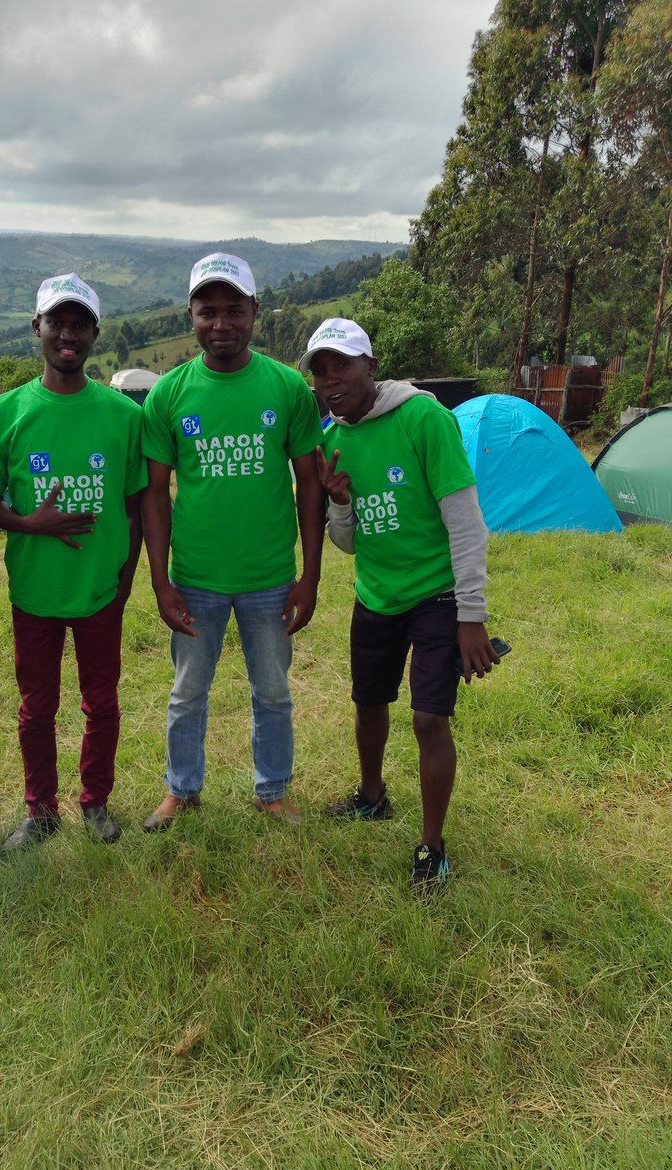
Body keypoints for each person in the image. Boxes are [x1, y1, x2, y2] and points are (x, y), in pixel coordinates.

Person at [304, 318, 500, 893]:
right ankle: (372, 797)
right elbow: (347, 542)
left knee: (428, 718)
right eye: (320, 369)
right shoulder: (333, 439)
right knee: (368, 703)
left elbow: (465, 523)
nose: (331, 378)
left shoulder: (424, 418)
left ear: (370, 364)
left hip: (437, 595)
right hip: (376, 596)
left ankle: (432, 846)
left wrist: (472, 615)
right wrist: (339, 503)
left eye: (342, 364)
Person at [140, 251, 324, 830]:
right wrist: (160, 579)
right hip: (195, 577)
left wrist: (311, 574)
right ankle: (182, 790)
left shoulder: (288, 388)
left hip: (270, 577)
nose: (221, 323)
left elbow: (311, 485)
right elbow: (153, 494)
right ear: (190, 315)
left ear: (255, 313)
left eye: (233, 310)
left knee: (272, 692)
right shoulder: (167, 394)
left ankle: (271, 790)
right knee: (186, 695)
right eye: (207, 311)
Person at [0, 272, 145, 848]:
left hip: (100, 589)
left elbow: (135, 502)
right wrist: (27, 523)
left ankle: (95, 804)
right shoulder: (2, 413)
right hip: (35, 592)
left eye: (79, 324)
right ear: (36, 328)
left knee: (102, 703)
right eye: (56, 323)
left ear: (94, 332)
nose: (67, 334)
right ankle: (40, 809)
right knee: (36, 708)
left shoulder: (123, 415)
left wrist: (128, 573)